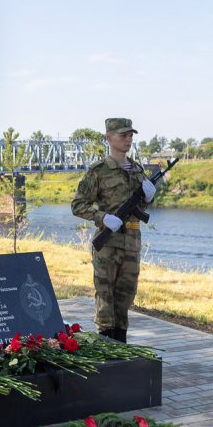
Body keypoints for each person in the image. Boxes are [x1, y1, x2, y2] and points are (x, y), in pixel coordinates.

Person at [70, 118, 156, 343]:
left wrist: (148, 197)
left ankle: (121, 346)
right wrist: (102, 217)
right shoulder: (98, 171)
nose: (128, 139)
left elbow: (140, 207)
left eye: (130, 135)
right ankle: (107, 348)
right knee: (105, 297)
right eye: (122, 135)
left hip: (132, 243)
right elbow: (78, 205)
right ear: (109, 137)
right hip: (108, 245)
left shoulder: (137, 169)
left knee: (125, 298)